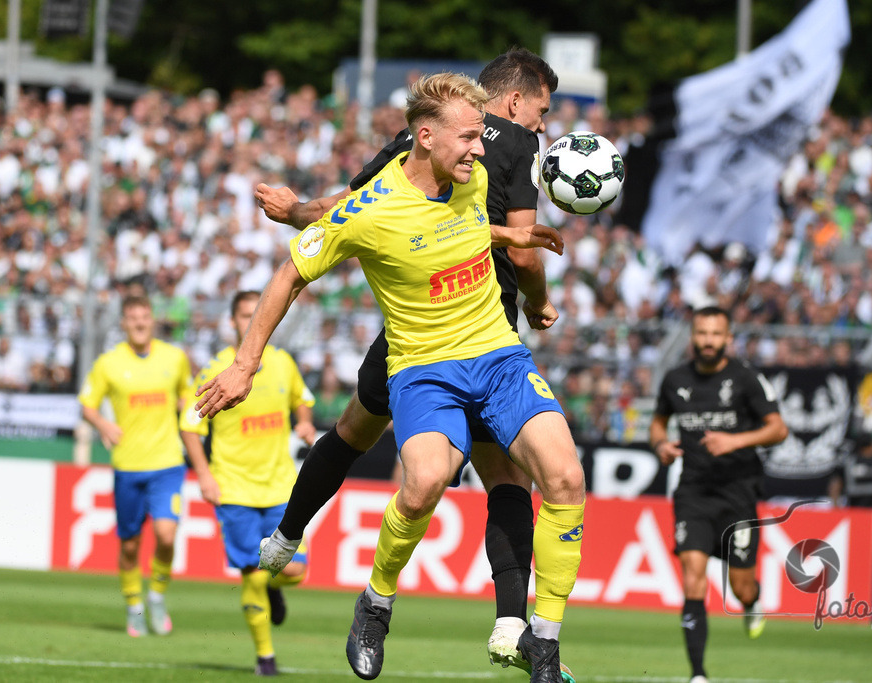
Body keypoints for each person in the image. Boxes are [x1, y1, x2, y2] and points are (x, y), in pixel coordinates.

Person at [195, 73, 584, 683]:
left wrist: (505, 233)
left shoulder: (473, 177)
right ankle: (376, 602)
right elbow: (290, 274)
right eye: (468, 137)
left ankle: (546, 648)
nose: (479, 149)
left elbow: (452, 228)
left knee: (566, 477)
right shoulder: (368, 210)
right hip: (423, 366)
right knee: (422, 484)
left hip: (498, 355)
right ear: (425, 137)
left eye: (480, 136)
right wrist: (246, 363)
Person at [179, 291, 316, 676]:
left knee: (295, 571)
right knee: (252, 574)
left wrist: (305, 422)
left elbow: (302, 398)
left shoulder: (283, 363)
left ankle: (273, 588)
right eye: (244, 315)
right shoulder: (216, 369)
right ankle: (265, 658)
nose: (251, 320)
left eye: (257, 313)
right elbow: (189, 424)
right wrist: (204, 475)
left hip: (280, 488)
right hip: (234, 490)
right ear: (232, 321)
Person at [649, 306, 788, 683]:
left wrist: (735, 441)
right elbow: (658, 422)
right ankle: (698, 674)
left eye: (715, 334)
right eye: (702, 333)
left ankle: (752, 600)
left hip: (737, 493)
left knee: (740, 586)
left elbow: (778, 429)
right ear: (692, 336)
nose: (707, 341)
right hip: (693, 492)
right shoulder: (675, 379)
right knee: (692, 576)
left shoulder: (746, 378)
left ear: (728, 338)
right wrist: (660, 444)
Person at [78, 295, 193, 638]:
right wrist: (103, 424)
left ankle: (156, 595)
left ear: (153, 320)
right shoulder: (108, 363)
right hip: (128, 466)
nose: (140, 322)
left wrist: (188, 408)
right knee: (129, 545)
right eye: (133, 317)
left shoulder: (174, 358)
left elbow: (186, 396)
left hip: (167, 463)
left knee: (166, 535)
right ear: (124, 323)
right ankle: (134, 607)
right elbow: (87, 404)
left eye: (145, 316)